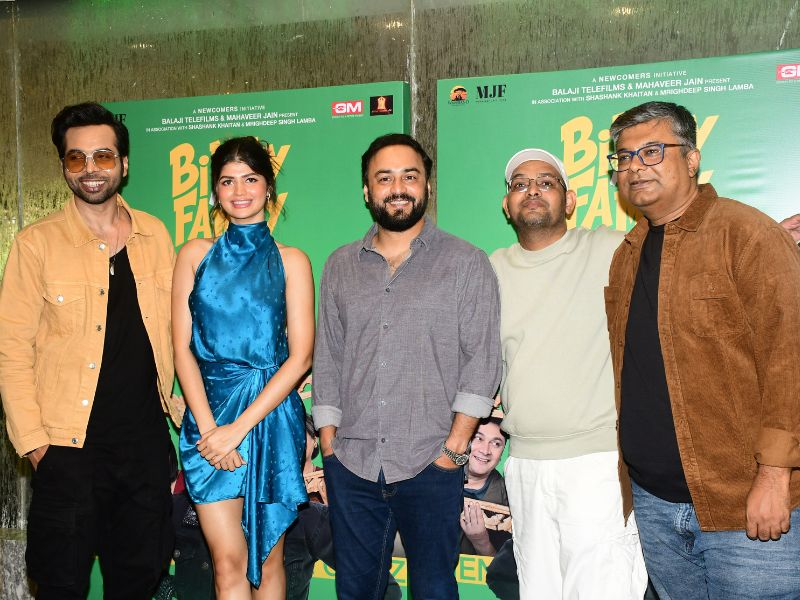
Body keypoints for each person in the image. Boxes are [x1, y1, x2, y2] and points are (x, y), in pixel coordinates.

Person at [605, 101, 800, 599]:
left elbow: (790, 360)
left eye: (652, 151)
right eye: (624, 157)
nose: (635, 166)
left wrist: (775, 476)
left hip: (744, 500)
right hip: (654, 502)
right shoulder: (626, 256)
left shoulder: (746, 234)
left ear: (691, 159)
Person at [0, 101, 182, 599]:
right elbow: (11, 351)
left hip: (144, 448)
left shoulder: (155, 235)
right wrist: (36, 445)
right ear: (64, 167)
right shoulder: (36, 245)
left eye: (102, 155)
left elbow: (176, 332)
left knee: (138, 583)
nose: (90, 168)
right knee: (61, 585)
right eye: (76, 158)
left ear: (124, 163)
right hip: (67, 449)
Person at [312, 133, 501, 600]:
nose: (398, 188)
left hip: (431, 463)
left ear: (427, 186)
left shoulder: (465, 262)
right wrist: (329, 444)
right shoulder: (339, 265)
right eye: (384, 178)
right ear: (367, 191)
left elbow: (482, 361)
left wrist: (453, 451)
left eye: (409, 176)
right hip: (351, 465)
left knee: (434, 591)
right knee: (355, 592)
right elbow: (328, 357)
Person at [489, 147, 647, 599]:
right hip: (523, 463)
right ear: (507, 205)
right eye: (520, 184)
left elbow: (682, 250)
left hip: (596, 461)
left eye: (546, 182)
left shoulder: (611, 248)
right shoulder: (490, 269)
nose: (532, 190)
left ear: (570, 200)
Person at [173, 136, 313, 598]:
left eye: (251, 179)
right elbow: (182, 350)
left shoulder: (292, 261)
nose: (239, 191)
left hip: (268, 419)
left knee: (268, 561)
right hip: (208, 420)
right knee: (227, 564)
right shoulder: (194, 255)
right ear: (215, 192)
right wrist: (212, 431)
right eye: (227, 181)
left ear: (269, 188)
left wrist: (238, 429)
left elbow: (301, 357)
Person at [460, 415, 510, 557]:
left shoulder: (510, 498)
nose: (485, 450)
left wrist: (481, 541)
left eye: (496, 443)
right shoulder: (434, 481)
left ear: (502, 453)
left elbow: (505, 568)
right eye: (478, 438)